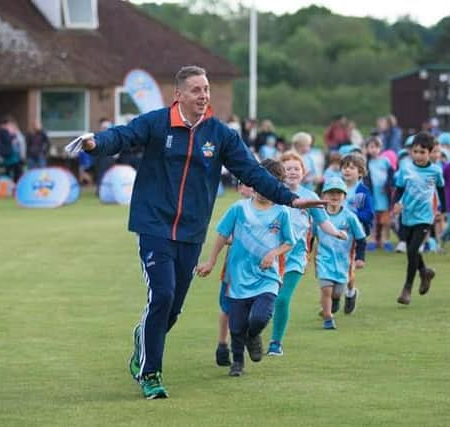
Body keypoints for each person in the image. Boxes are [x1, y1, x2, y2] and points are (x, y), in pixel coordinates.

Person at [79, 65, 325, 399]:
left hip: (192, 232)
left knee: (173, 308)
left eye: (206, 89)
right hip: (154, 226)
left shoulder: (220, 135)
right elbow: (123, 136)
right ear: (178, 94)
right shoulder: (156, 123)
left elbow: (252, 172)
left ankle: (143, 341)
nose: (204, 95)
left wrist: (291, 199)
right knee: (162, 295)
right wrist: (96, 143)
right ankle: (150, 373)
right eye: (196, 90)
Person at [197, 159, 294, 377]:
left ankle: (253, 335)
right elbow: (222, 234)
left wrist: (273, 253)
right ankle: (237, 362)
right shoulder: (239, 208)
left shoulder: (282, 212)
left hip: (267, 277)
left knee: (259, 317)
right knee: (237, 323)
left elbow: (289, 241)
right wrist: (211, 261)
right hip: (238, 276)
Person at [267, 152, 346, 356]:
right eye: (287, 168)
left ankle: (276, 342)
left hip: (295, 257)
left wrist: (337, 232)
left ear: (304, 173)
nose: (292, 172)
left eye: (296, 168)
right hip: (270, 256)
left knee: (283, 299)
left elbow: (323, 221)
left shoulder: (310, 197)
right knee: (265, 299)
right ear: (280, 173)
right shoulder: (272, 193)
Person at [393, 132, 446, 305]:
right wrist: (395, 204)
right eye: (415, 152)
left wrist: (442, 209)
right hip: (407, 214)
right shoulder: (406, 169)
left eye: (422, 152)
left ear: (430, 152)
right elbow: (399, 189)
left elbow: (441, 190)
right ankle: (425, 272)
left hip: (425, 217)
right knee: (412, 249)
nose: (418, 155)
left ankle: (407, 289)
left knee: (412, 251)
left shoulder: (436, 171)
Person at [314, 177, 366, 329]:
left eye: (338, 193)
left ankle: (337, 301)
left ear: (344, 196)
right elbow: (310, 237)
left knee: (336, 293)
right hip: (323, 259)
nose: (334, 196)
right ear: (324, 196)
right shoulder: (319, 215)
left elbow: (361, 238)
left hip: (344, 261)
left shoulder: (350, 217)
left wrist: (360, 258)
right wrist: (306, 255)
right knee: (326, 290)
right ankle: (328, 318)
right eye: (331, 193)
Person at [214, 182, 254, 367]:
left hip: (258, 269)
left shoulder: (270, 210)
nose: (250, 189)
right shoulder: (237, 209)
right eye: (245, 185)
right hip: (235, 267)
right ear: (239, 189)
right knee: (227, 307)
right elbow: (223, 234)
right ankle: (223, 344)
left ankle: (246, 342)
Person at [340, 152, 374, 313]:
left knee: (348, 266)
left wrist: (353, 216)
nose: (347, 171)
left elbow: (369, 213)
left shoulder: (363, 191)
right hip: (335, 234)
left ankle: (350, 292)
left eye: (352, 168)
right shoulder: (336, 187)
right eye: (345, 167)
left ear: (360, 172)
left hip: (355, 235)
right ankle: (331, 296)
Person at [364, 136, 394, 251]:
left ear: (380, 148)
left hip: (383, 194)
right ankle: (372, 240)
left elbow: (391, 176)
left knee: (386, 220)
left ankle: (386, 240)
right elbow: (365, 179)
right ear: (367, 149)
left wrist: (387, 186)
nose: (373, 150)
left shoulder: (385, 161)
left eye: (376, 147)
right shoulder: (367, 163)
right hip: (372, 194)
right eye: (371, 147)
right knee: (373, 219)